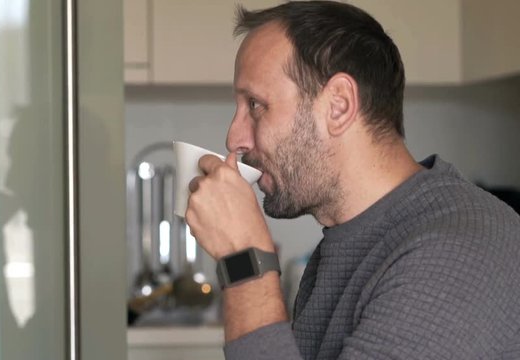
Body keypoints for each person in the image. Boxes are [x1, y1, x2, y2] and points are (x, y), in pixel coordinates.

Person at [184, 1, 520, 359]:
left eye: (255, 104)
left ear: (339, 106)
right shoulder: (348, 242)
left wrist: (244, 257)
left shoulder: (458, 256)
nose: (234, 138)